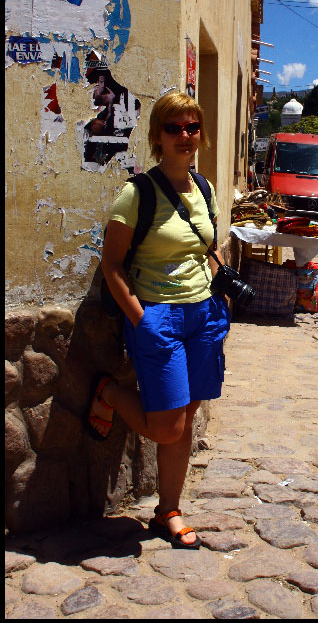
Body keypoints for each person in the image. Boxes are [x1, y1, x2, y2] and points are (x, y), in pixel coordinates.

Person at [85, 92, 231, 549]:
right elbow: (111, 265)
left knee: (185, 416)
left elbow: (208, 248)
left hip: (203, 315)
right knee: (167, 426)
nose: (185, 135)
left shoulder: (204, 188)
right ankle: (108, 392)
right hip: (158, 317)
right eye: (174, 128)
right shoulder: (137, 194)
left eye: (192, 127)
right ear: (157, 137)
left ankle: (169, 508)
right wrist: (141, 319)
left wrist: (218, 291)